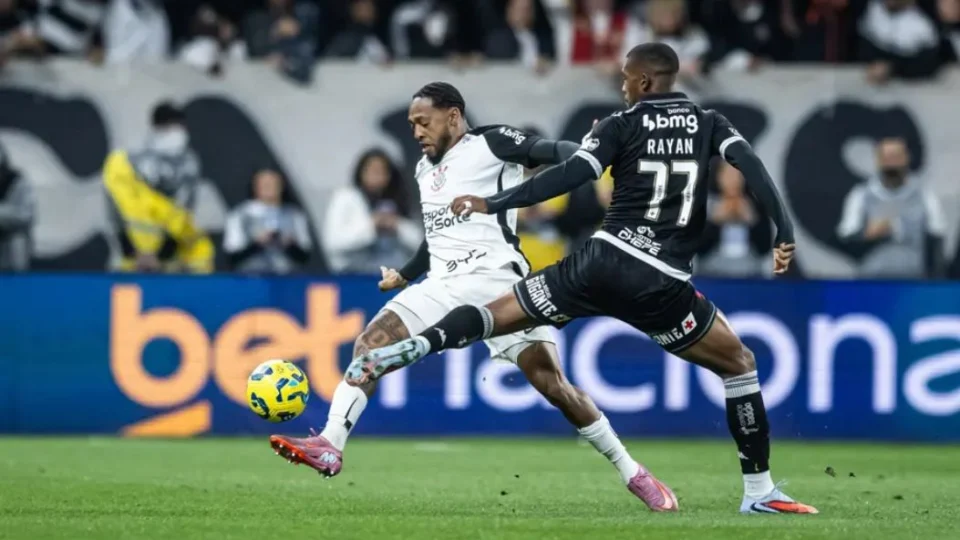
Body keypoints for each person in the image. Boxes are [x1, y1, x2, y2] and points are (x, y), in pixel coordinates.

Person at [346, 44, 817, 515]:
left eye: (626, 78)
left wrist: (494, 202)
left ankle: (421, 345)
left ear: (645, 81)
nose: (622, 86)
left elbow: (568, 176)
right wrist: (784, 230)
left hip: (599, 263)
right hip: (661, 281)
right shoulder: (709, 122)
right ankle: (759, 491)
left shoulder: (620, 124)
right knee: (739, 364)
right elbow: (751, 165)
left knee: (496, 313)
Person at [270, 82, 678, 512]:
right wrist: (405, 274)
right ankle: (331, 444)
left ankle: (633, 472)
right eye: (412, 124)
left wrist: (592, 148)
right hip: (442, 283)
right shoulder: (424, 169)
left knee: (553, 385)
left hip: (497, 282)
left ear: (453, 116)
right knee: (370, 344)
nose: (417, 132)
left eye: (423, 121)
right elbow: (436, 235)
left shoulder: (492, 142)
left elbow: (552, 151)